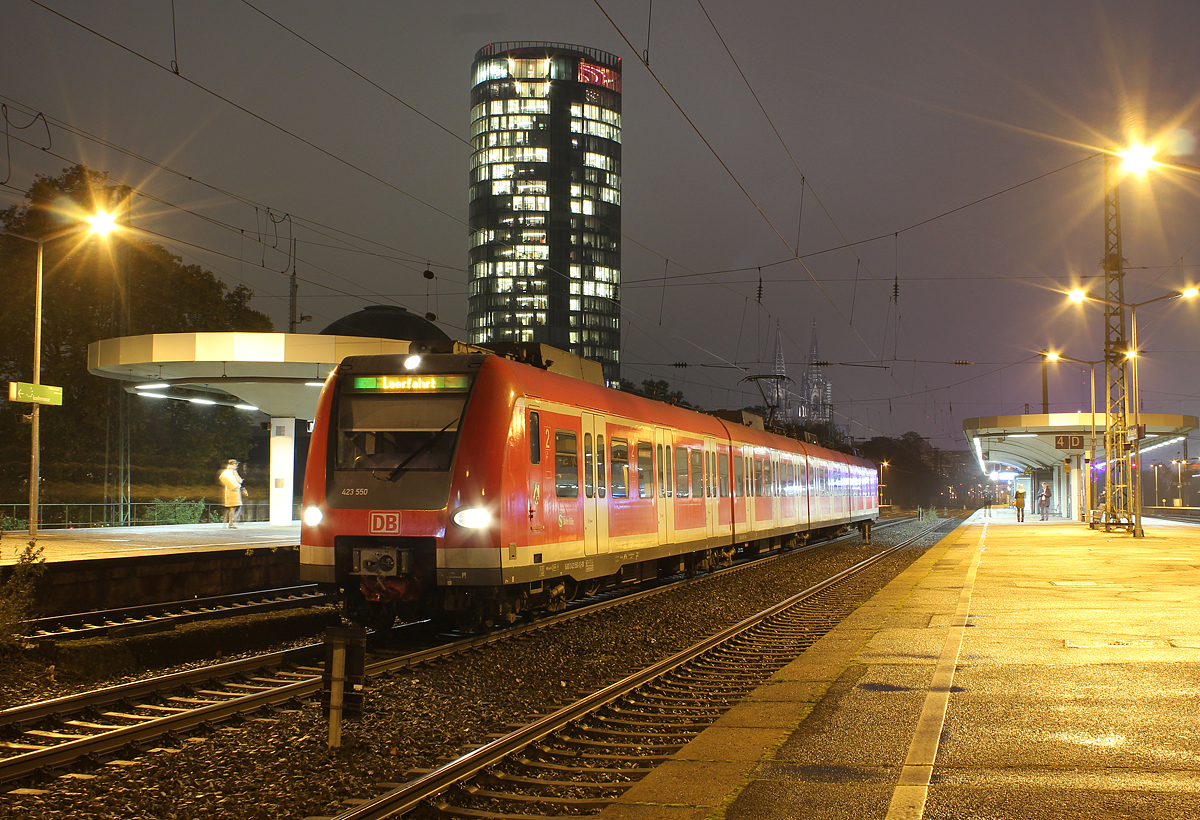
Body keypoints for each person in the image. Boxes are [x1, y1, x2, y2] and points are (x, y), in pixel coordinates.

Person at [219, 459, 245, 528]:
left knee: (234, 507)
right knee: (233, 507)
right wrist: (235, 485)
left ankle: (232, 522)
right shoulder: (229, 471)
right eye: (236, 464)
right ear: (233, 464)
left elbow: (239, 480)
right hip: (232, 491)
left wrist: (239, 481)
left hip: (235, 491)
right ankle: (232, 522)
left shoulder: (232, 471)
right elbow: (224, 478)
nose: (237, 466)